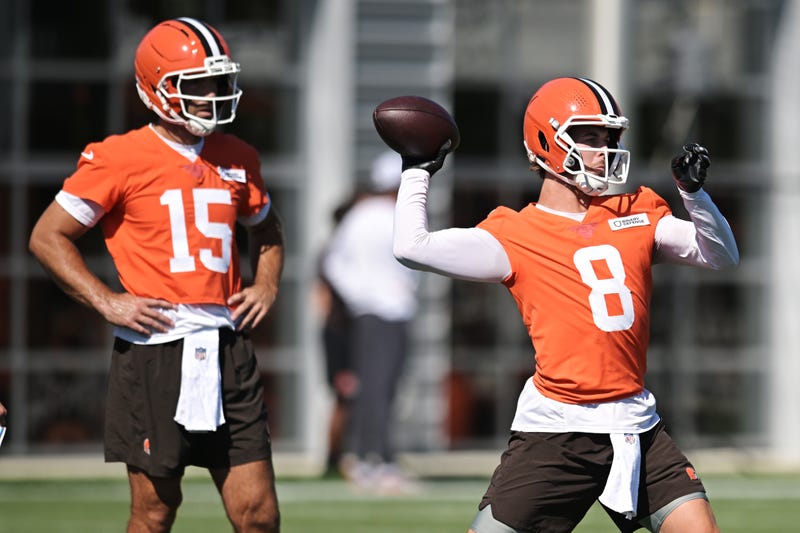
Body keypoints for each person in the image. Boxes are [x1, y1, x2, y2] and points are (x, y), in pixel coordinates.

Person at [392, 77, 739, 532]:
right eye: (589, 137)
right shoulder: (514, 233)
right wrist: (417, 169)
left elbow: (720, 254)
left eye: (608, 138)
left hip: (636, 423)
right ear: (545, 140)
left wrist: (694, 196)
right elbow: (412, 247)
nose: (604, 149)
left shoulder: (635, 209)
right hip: (558, 428)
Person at [28, 18, 283, 533]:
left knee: (258, 516)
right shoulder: (118, 157)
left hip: (227, 346)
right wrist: (107, 301)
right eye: (198, 85)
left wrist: (267, 283)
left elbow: (268, 228)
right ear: (158, 90)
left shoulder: (240, 158)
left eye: (219, 82)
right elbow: (46, 237)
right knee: (155, 512)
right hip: (155, 348)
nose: (213, 95)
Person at [322, 150, 420, 493]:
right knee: (378, 388)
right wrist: (365, 296)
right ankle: (372, 460)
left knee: (382, 387)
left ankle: (374, 457)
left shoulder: (370, 214)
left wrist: (360, 297)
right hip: (381, 312)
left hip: (385, 311)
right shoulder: (378, 215)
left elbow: (335, 263)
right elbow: (335, 263)